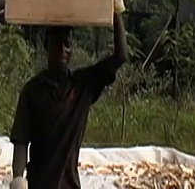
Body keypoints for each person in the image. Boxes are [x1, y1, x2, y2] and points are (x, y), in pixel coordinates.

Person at [9, 12, 128, 189]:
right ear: (47, 45)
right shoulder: (33, 91)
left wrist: (116, 12)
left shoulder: (82, 86)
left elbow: (120, 56)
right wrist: (18, 179)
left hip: (69, 185)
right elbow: (21, 141)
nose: (63, 49)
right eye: (58, 43)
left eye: (67, 44)